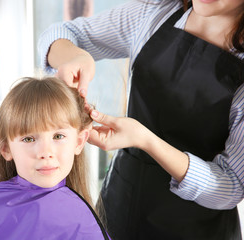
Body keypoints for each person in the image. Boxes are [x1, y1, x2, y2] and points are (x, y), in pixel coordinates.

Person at [38, 0, 244, 239]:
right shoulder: (155, 13)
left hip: (195, 228)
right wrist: (75, 57)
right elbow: (59, 34)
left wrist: (147, 141)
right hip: (118, 209)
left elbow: (231, 185)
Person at [0, 77, 110, 240]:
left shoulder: (80, 218)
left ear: (79, 142)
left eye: (58, 136)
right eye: (29, 139)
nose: (46, 152)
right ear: (5, 148)